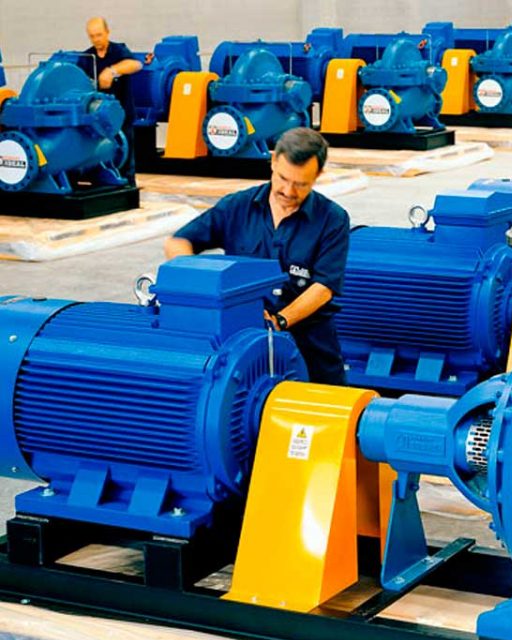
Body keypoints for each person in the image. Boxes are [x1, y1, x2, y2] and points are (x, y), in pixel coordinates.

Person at [165, 128, 350, 386]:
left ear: (317, 175)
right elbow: (178, 243)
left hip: (311, 347)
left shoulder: (332, 219)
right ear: (273, 162)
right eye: (283, 178)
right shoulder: (237, 207)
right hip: (241, 348)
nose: (288, 191)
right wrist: (204, 291)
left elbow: (324, 287)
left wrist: (279, 321)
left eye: (301, 184)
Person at [80, 16, 142, 182]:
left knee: (124, 154)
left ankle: (127, 183)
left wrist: (112, 71)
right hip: (97, 119)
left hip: (121, 116)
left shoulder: (119, 51)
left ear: (107, 32)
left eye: (99, 35)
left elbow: (136, 65)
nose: (96, 39)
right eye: (92, 36)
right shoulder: (86, 58)